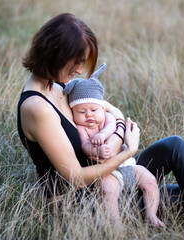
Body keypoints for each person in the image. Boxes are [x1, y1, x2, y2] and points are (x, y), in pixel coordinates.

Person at [17, 12, 184, 237]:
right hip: (86, 203)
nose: (80, 70)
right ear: (54, 54)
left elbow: (111, 109)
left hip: (109, 172)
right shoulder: (37, 108)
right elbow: (77, 178)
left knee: (173, 146)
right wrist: (129, 151)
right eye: (76, 62)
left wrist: (116, 135)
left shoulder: (59, 84)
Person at [63, 63, 164, 227]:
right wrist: (97, 149)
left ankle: (152, 214)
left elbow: (113, 126)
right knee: (108, 191)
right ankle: (116, 224)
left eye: (94, 110)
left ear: (102, 108)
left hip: (129, 166)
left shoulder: (107, 118)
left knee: (150, 181)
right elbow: (84, 146)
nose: (89, 115)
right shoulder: (81, 129)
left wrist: (102, 135)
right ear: (73, 113)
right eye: (82, 112)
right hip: (108, 172)